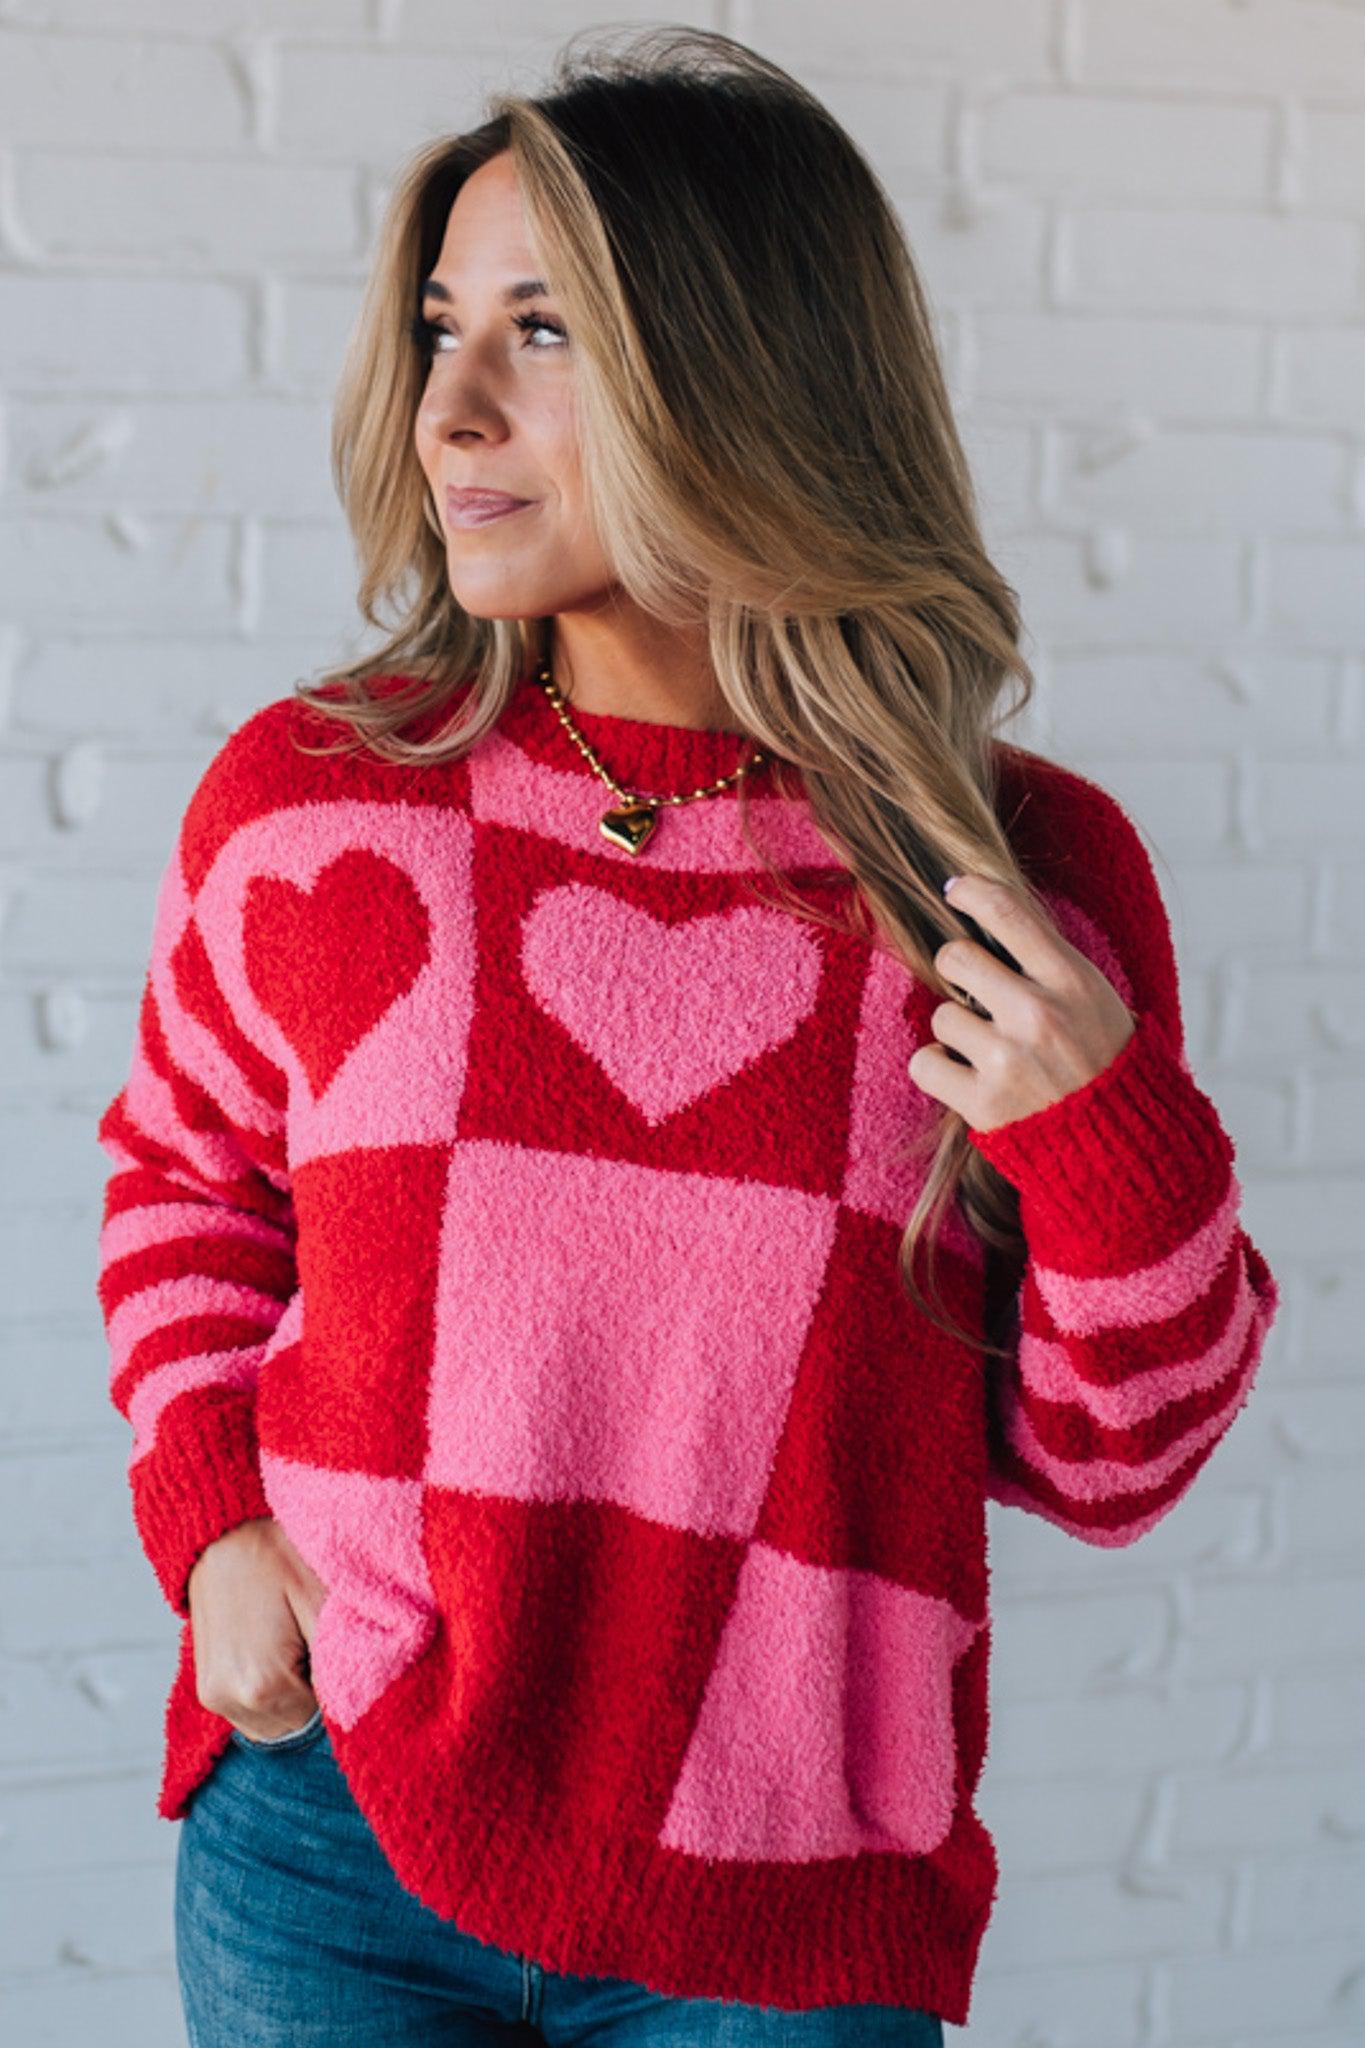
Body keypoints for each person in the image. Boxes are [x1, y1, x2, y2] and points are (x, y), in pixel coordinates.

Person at [93, 24, 1280, 2047]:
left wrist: (1099, 1125)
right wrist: (211, 1523)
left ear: (740, 371)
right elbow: (187, 1179)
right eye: (440, 322)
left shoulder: (1003, 873)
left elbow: (1108, 1461)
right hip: (330, 1839)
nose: (447, 404)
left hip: (787, 1932)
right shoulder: (318, 800)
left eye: (540, 332)